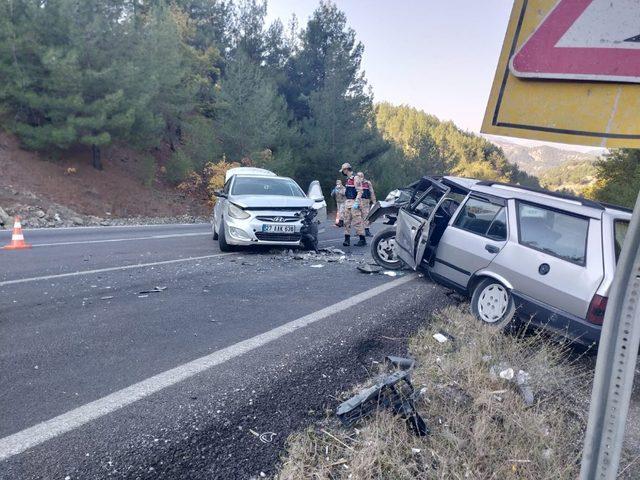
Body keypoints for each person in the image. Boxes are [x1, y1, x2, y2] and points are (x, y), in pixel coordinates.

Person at [339, 162, 366, 247]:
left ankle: (362, 239)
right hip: (348, 202)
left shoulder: (356, 178)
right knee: (346, 221)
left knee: (357, 222)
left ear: (346, 169)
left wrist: (357, 202)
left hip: (354, 202)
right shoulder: (348, 179)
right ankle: (347, 240)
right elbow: (348, 191)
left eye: (343, 170)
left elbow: (360, 191)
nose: (343, 172)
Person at [357, 172, 377, 237]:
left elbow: (371, 192)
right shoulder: (356, 183)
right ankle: (359, 231)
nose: (359, 177)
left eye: (360, 176)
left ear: (363, 176)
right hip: (358, 201)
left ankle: (367, 231)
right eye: (358, 176)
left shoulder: (367, 183)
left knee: (366, 216)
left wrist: (374, 202)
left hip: (365, 201)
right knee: (358, 216)